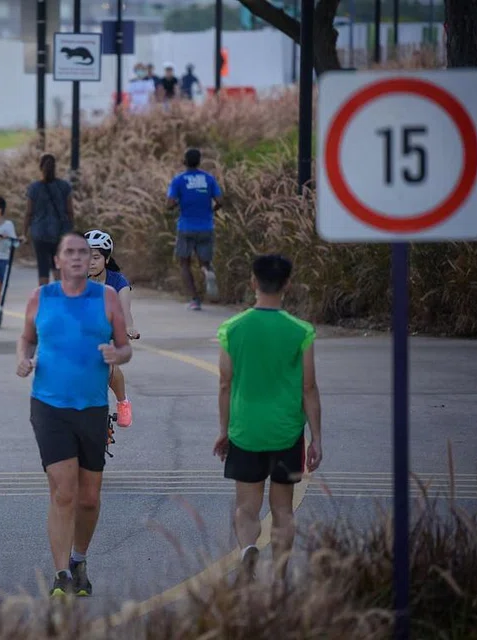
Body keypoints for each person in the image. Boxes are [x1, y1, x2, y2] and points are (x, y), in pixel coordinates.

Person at [17, 232, 133, 598]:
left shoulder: (108, 297)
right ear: (58, 261)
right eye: (71, 253)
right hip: (49, 406)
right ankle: (61, 572)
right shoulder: (41, 297)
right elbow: (26, 337)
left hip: (93, 407)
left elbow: (125, 346)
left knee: (89, 498)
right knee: (64, 493)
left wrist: (118, 356)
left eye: (85, 253)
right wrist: (23, 357)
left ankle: (80, 559)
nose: (79, 259)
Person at [212, 254, 322, 584]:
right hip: (287, 433)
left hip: (245, 430)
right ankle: (279, 576)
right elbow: (309, 387)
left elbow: (224, 382)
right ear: (287, 285)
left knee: (246, 507)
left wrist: (224, 430)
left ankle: (248, 548)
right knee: (284, 509)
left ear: (252, 282)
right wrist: (316, 437)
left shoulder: (232, 329)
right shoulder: (301, 331)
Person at [84, 229, 139, 427]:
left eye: (96, 257)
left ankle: (123, 402)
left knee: (109, 364)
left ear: (106, 259)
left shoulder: (118, 281)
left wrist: (129, 327)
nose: (90, 262)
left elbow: (125, 311)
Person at [166, 148, 223, 311]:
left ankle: (194, 300)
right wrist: (212, 210)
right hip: (206, 226)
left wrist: (179, 203)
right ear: (199, 161)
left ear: (185, 162)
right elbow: (220, 200)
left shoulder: (179, 180)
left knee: (184, 263)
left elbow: (169, 204)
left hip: (186, 227)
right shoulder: (209, 179)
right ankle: (207, 272)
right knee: (205, 261)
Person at [24, 153, 74, 286]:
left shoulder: (34, 188)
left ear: (41, 167)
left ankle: (45, 297)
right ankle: (60, 296)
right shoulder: (64, 186)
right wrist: (71, 230)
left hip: (39, 232)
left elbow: (29, 213)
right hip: (59, 232)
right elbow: (70, 211)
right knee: (57, 265)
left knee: (43, 267)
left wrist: (25, 233)